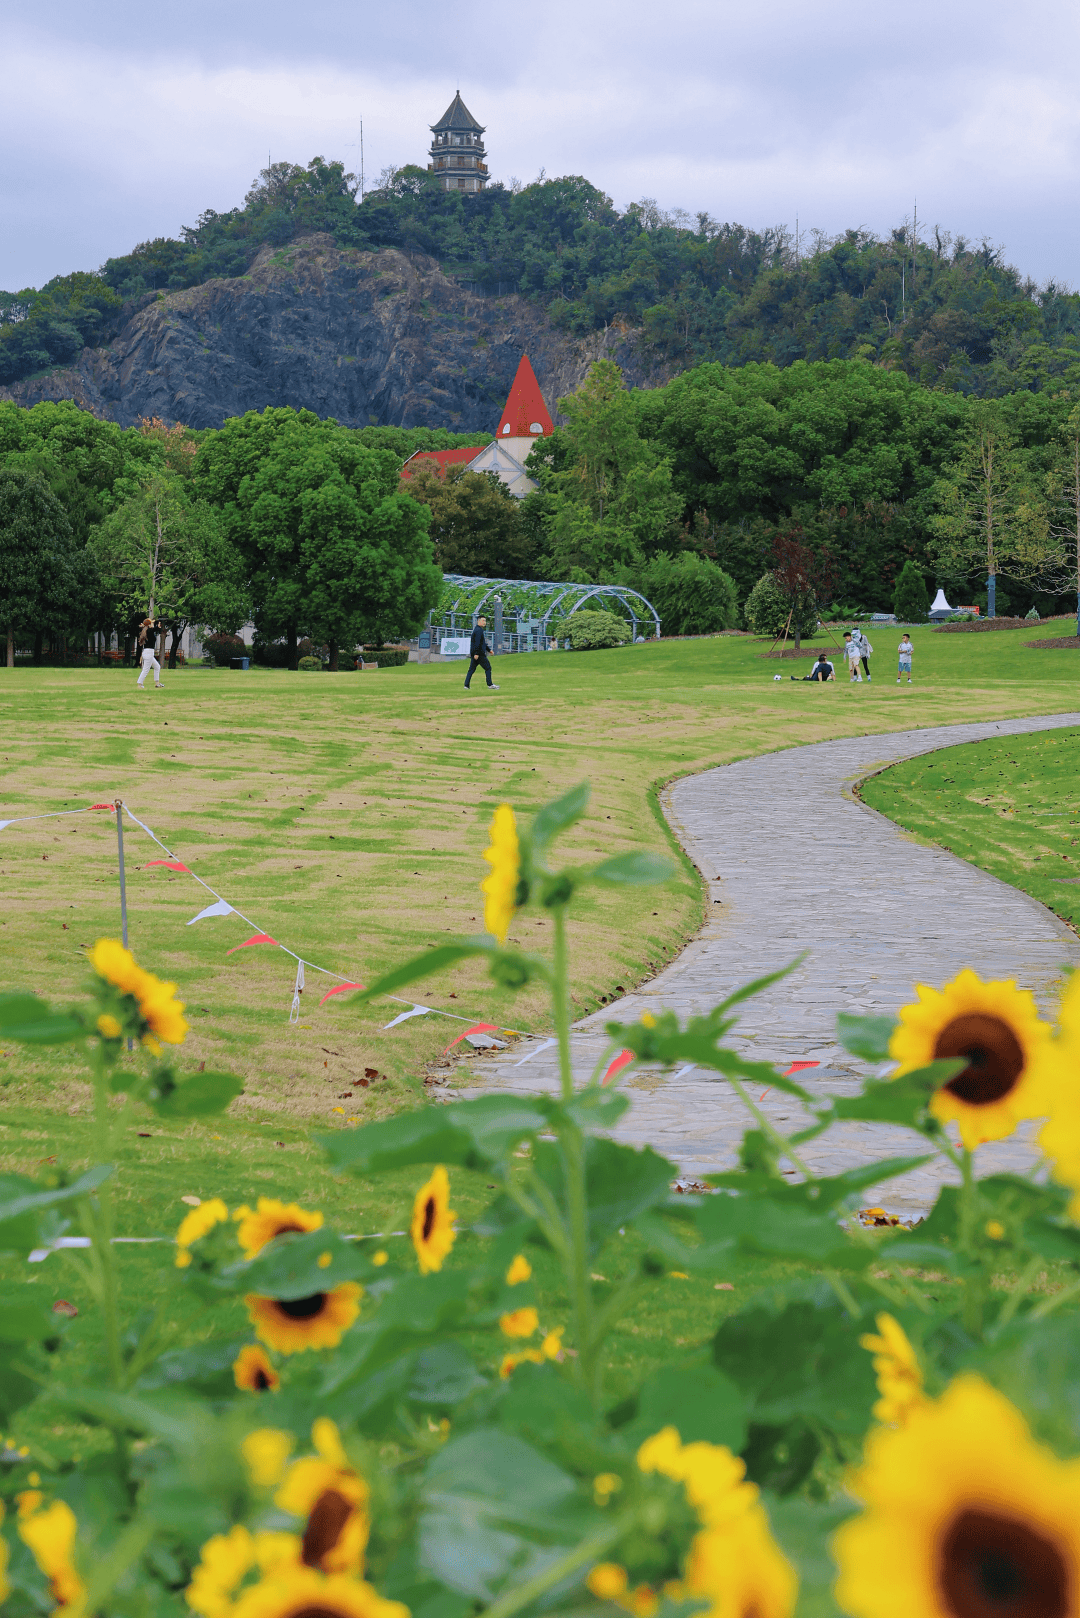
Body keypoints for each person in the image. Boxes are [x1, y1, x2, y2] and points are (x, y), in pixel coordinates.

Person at [464, 615, 499, 691]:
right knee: (488, 668)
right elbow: (477, 643)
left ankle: (466, 685)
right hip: (479, 654)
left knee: (471, 670)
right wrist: (477, 653)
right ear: (478, 621)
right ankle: (490, 684)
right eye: (483, 620)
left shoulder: (478, 630)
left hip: (476, 654)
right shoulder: (478, 630)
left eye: (485, 621)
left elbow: (482, 643)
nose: (484, 622)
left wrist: (489, 650)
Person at [135, 616, 163, 690]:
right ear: (149, 625)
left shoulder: (146, 630)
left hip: (148, 653)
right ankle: (139, 684)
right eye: (152, 623)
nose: (153, 624)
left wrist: (156, 625)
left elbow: (153, 629)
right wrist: (158, 626)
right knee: (145, 670)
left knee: (157, 667)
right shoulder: (149, 630)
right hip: (149, 653)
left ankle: (157, 683)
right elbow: (154, 629)